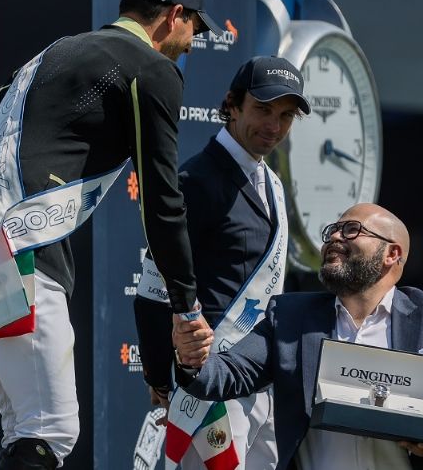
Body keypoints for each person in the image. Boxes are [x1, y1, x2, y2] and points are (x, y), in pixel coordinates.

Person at [0, 0, 222, 469]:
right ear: (173, 16)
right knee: (50, 427)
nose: (191, 42)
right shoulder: (153, 70)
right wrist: (186, 307)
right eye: (193, 26)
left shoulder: (57, 49)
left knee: (23, 423)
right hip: (12, 253)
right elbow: (163, 199)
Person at [173, 203, 423, 469]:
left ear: (391, 254)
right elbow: (227, 374)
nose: (334, 238)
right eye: (332, 230)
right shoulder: (291, 318)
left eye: (351, 230)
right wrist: (192, 358)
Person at [133, 56, 310, 469]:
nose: (274, 126)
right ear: (231, 104)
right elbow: (155, 289)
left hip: (262, 380)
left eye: (286, 116)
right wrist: (160, 376)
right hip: (212, 383)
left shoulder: (271, 182)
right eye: (262, 110)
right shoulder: (196, 181)